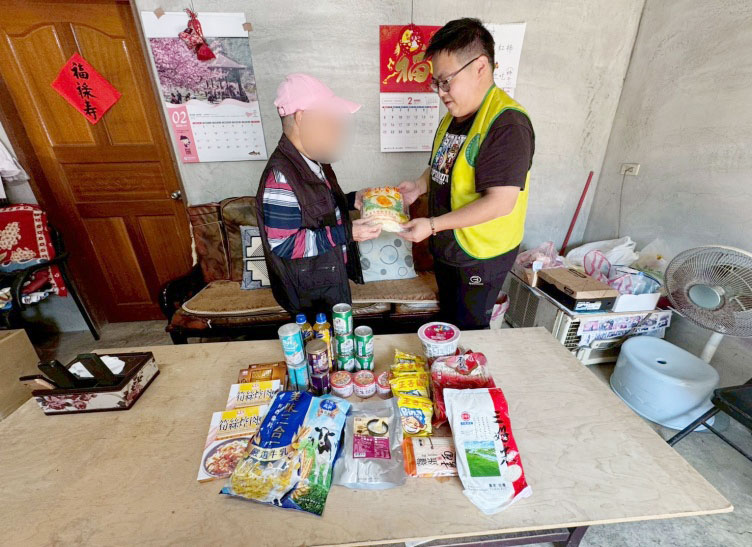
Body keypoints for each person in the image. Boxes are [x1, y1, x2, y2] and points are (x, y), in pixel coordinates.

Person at [396, 18, 535, 329]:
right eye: (436, 84)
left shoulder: (507, 125)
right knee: (450, 324)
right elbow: (442, 165)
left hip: (480, 256)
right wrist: (419, 186)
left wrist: (432, 225)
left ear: (480, 67)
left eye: (446, 81)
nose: (440, 93)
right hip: (449, 247)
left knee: (470, 335)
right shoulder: (454, 116)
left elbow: (500, 203)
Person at [256, 73, 381, 318]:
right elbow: (284, 244)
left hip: (328, 278)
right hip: (309, 294)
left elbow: (316, 207)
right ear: (301, 117)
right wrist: (348, 233)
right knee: (323, 342)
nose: (335, 129)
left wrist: (352, 199)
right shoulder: (281, 176)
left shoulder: (313, 159)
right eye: (328, 119)